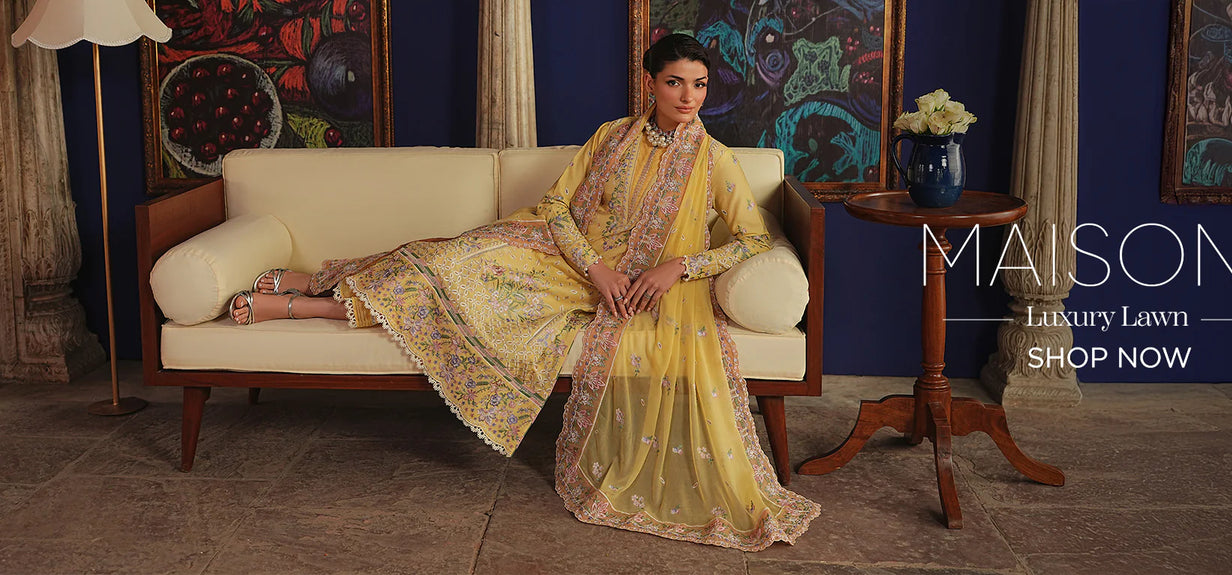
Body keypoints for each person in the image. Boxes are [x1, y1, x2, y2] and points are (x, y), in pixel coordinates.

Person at [225, 33, 820, 550]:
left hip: (627, 288)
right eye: (675, 82)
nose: (689, 97)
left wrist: (678, 267)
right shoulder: (612, 137)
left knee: (450, 288)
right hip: (560, 256)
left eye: (699, 85)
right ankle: (318, 280)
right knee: (443, 260)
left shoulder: (715, 162)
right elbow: (557, 206)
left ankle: (299, 303)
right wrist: (596, 268)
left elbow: (752, 239)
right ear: (650, 83)